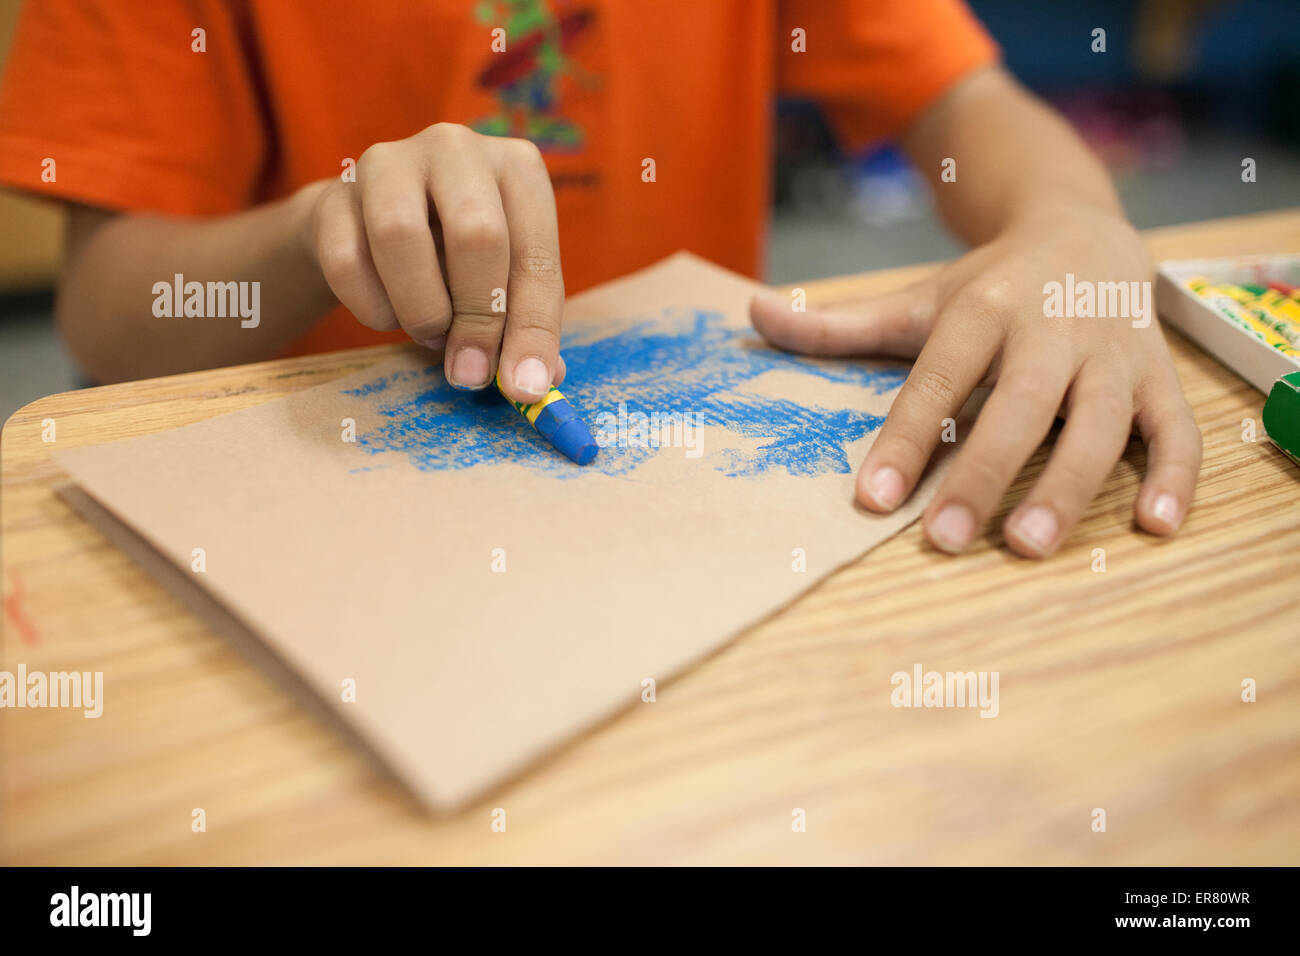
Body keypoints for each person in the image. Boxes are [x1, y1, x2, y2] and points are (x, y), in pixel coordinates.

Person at [0, 0, 1200, 559]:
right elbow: (107, 312)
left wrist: (1076, 224)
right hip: (321, 516)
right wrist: (315, 228)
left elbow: (966, 105)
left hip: (690, 528)